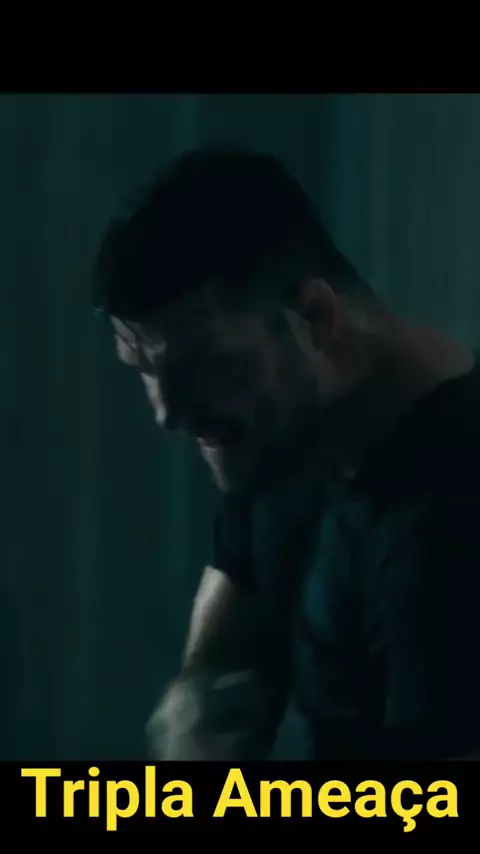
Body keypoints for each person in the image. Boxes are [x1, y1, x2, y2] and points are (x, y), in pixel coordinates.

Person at [93, 147, 480, 760]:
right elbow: (227, 629)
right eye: (145, 369)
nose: (167, 413)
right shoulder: (274, 434)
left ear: (316, 317)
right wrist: (196, 700)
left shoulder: (445, 531)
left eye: (207, 364)